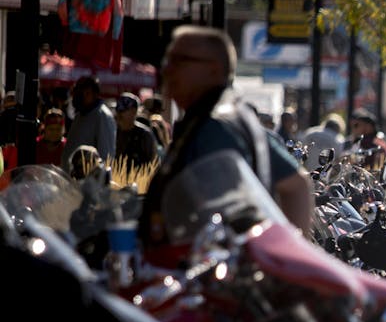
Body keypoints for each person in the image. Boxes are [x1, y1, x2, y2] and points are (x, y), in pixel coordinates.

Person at [140, 26, 313, 250]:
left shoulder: (215, 126)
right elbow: (297, 184)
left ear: (213, 70)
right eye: (167, 60)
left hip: (204, 275)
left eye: (179, 60)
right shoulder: (231, 115)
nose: (167, 69)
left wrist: (289, 260)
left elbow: (296, 186)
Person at [62, 75, 116, 166]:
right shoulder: (80, 115)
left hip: (87, 179)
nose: (78, 96)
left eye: (85, 93)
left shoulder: (103, 116)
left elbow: (106, 157)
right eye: (77, 92)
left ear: (93, 94)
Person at [112, 92, 159, 168]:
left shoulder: (144, 135)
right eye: (118, 109)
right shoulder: (113, 132)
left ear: (134, 111)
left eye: (123, 110)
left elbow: (153, 163)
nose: (119, 113)